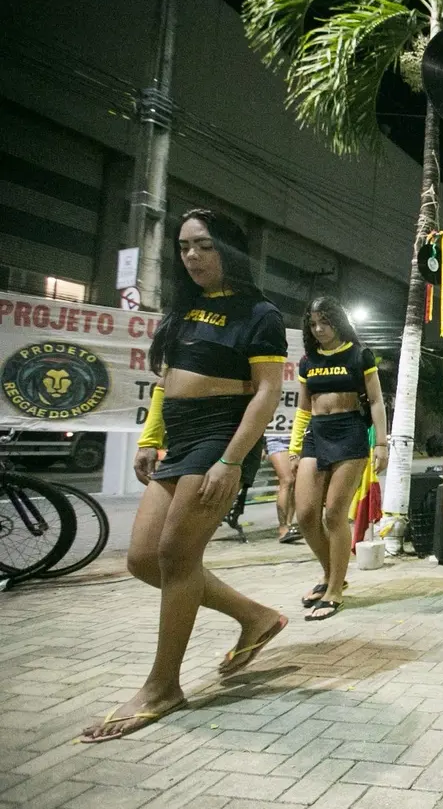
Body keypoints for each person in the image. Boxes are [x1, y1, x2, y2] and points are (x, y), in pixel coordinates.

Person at [81, 209, 289, 742]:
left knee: (177, 555)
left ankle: (162, 685)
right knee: (143, 558)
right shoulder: (185, 309)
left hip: (221, 436)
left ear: (229, 250)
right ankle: (257, 616)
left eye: (204, 246)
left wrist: (231, 460)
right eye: (185, 247)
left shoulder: (259, 313)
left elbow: (266, 393)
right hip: (180, 436)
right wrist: (152, 437)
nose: (193, 256)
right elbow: (166, 380)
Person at [289, 297, 388, 621]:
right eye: (313, 324)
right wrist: (294, 449)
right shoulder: (308, 361)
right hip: (316, 434)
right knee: (304, 514)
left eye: (325, 322)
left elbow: (375, 401)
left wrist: (382, 444)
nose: (319, 330)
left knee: (334, 515)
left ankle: (334, 590)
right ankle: (332, 572)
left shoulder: (360, 356)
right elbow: (304, 408)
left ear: (338, 322)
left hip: (350, 433)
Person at [264, 433, 301, 543]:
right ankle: (283, 528)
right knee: (287, 480)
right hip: (277, 437)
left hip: (299, 436)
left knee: (296, 482)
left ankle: (288, 525)